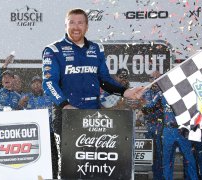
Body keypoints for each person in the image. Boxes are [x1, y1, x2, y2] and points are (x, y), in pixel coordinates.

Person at [42, 8, 144, 179]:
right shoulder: (53, 50)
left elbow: (104, 79)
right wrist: (65, 105)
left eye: (80, 22)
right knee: (67, 168)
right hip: (65, 116)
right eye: (72, 22)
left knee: (92, 166)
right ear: (65, 25)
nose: (76, 27)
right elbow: (49, 83)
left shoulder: (96, 49)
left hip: (93, 117)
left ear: (87, 26)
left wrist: (125, 91)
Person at [141, 71, 163, 180]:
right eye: (151, 78)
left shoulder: (164, 93)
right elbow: (144, 109)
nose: (154, 80)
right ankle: (156, 176)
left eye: (156, 78)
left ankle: (160, 177)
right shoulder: (145, 92)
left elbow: (157, 110)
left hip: (161, 127)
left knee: (161, 154)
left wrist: (149, 109)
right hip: (149, 126)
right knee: (153, 155)